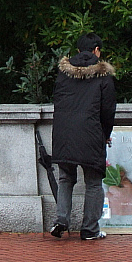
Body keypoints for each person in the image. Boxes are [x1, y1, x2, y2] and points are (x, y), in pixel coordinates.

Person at [50, 32, 116, 240]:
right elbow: (108, 109)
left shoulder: (63, 73)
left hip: (63, 133)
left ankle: (61, 219)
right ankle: (89, 229)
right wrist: (105, 134)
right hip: (91, 132)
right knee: (94, 182)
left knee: (65, 178)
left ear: (78, 51)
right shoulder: (103, 76)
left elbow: (58, 102)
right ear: (97, 50)